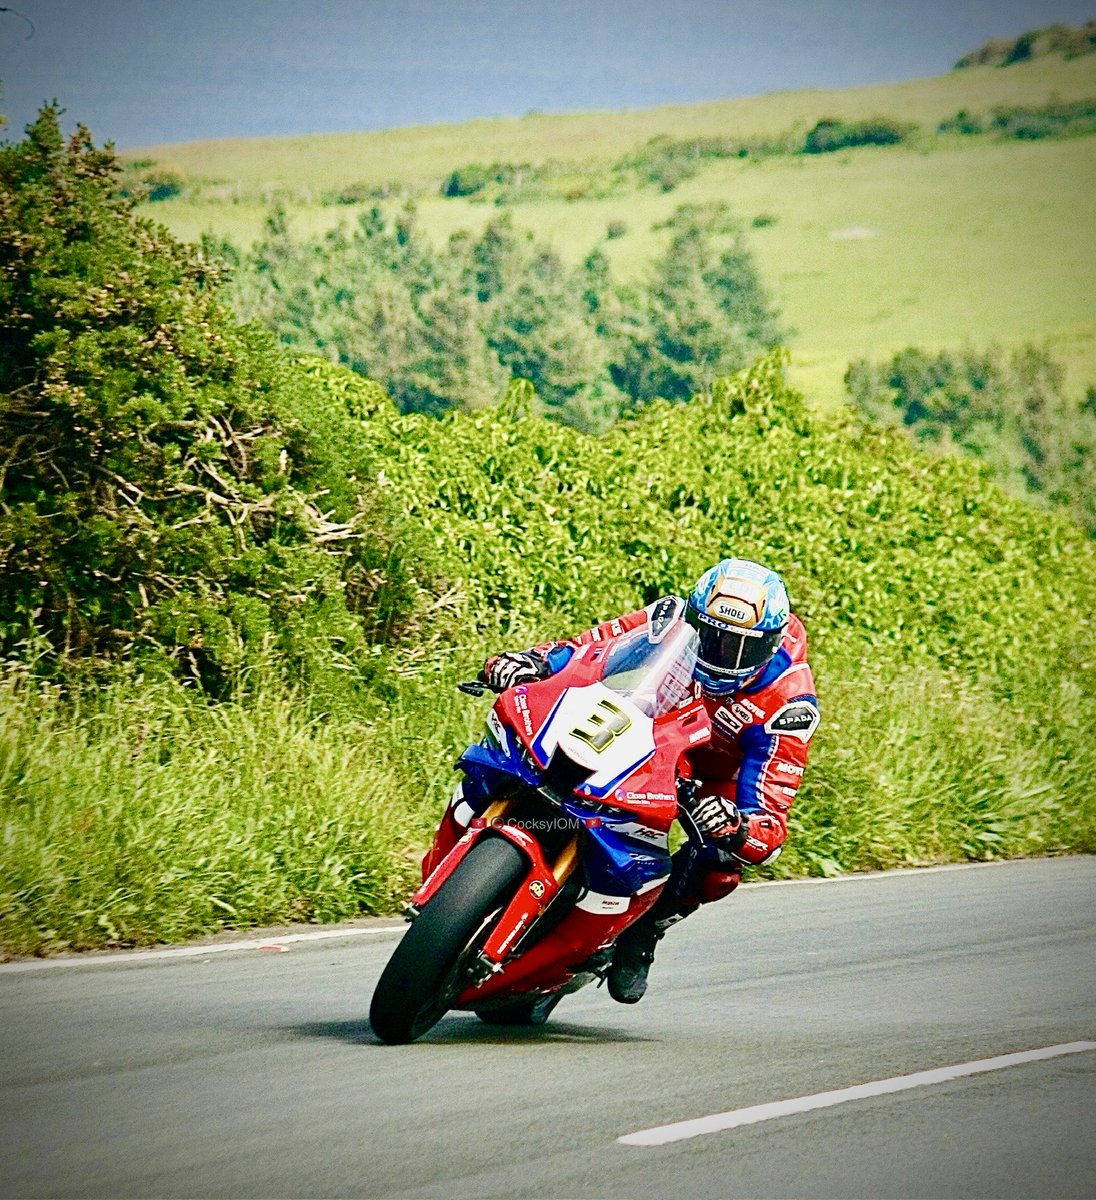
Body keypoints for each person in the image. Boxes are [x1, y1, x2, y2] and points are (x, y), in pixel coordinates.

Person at [480, 558, 820, 1004]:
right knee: (523, 752)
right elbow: (590, 649)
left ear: (769, 646)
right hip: (651, 730)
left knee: (720, 863)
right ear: (695, 618)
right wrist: (532, 662)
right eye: (710, 636)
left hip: (718, 774)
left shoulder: (789, 703)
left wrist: (738, 826)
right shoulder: (670, 619)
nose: (718, 654)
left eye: (737, 648)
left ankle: (645, 927)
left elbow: (770, 822)